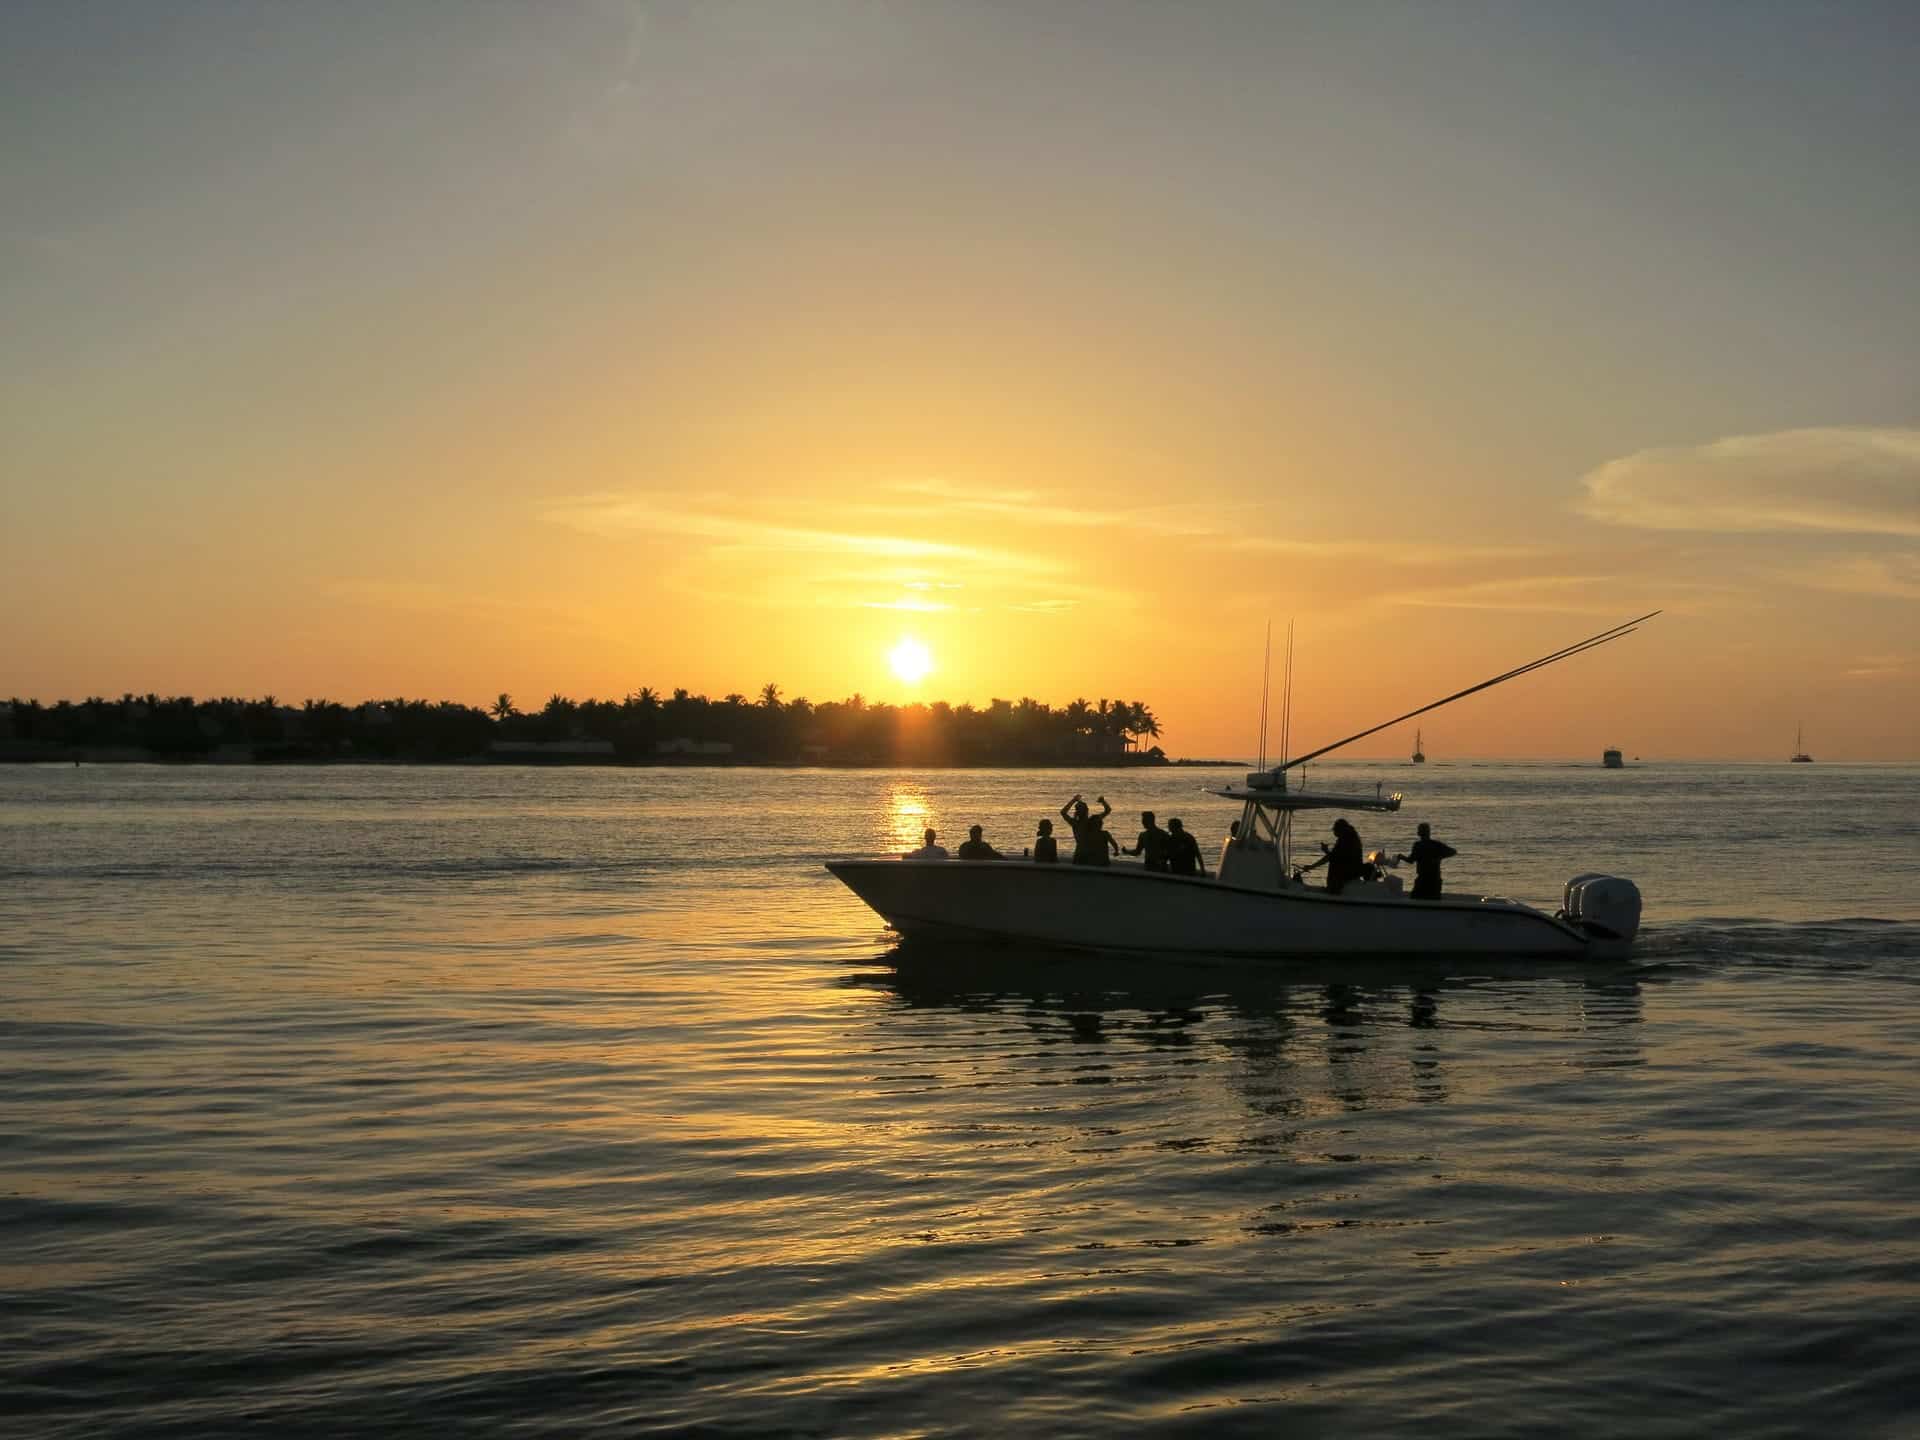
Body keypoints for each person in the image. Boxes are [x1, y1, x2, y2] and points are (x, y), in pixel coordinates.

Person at [1300, 817, 1363, 894]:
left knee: (1335, 867)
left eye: (1335, 830)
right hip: (1352, 871)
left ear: (1340, 829)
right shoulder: (1350, 838)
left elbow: (1333, 858)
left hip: (1347, 873)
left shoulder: (1346, 840)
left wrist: (1312, 866)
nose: (1334, 832)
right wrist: (1326, 852)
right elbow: (1335, 856)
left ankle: (1333, 889)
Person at [1395, 822, 1457, 900]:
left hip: (1424, 880)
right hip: (1434, 880)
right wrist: (1440, 857)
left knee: (1415, 899)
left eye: (1419, 830)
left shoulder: (1418, 845)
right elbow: (1453, 851)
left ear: (1420, 832)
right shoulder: (1436, 844)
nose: (1418, 831)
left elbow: (1411, 860)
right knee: (1433, 901)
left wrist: (1401, 857)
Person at [1060, 793, 1120, 866]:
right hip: (1082, 854)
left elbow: (1108, 810)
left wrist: (1103, 801)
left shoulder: (1091, 820)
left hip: (1087, 854)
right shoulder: (1078, 823)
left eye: (1083, 809)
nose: (1084, 811)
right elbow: (1063, 812)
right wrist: (1074, 800)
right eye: (1082, 809)